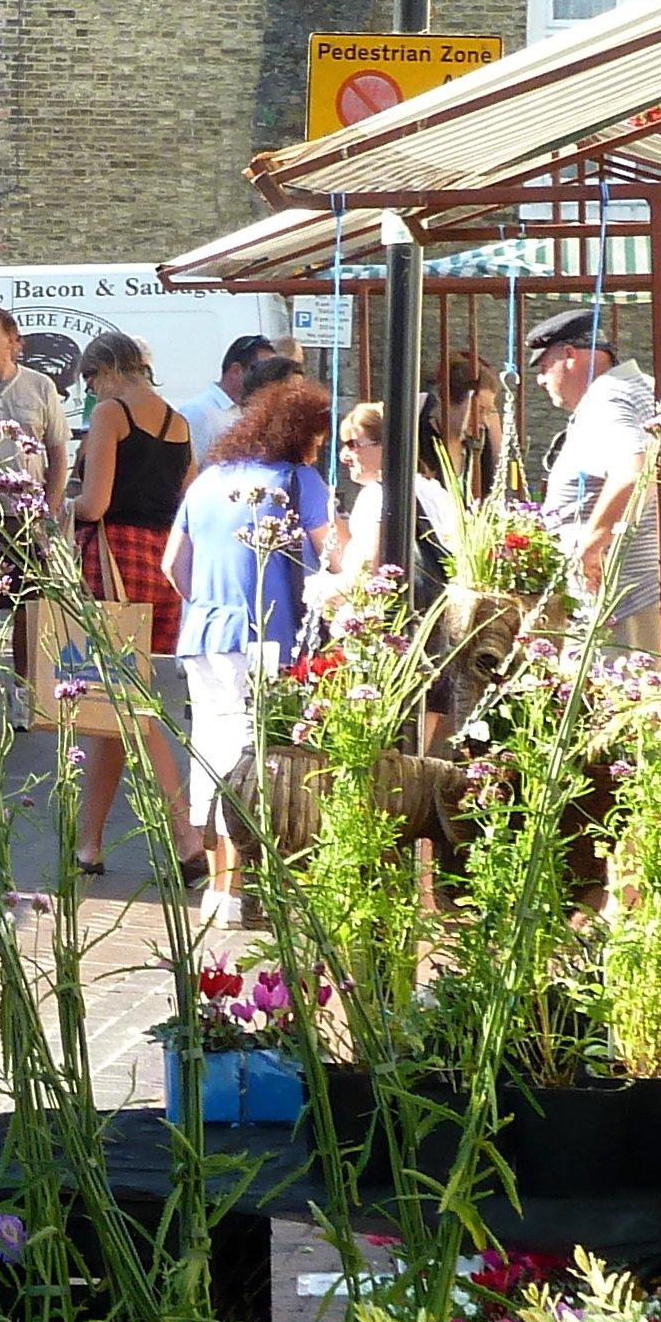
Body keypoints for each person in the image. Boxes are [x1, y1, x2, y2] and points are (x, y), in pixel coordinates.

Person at [162, 376, 335, 918]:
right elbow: (337, 557)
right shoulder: (296, 479)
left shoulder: (209, 479)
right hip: (266, 636)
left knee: (211, 756)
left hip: (202, 635)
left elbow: (173, 566)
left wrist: (210, 604)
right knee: (252, 760)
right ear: (301, 433)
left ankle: (218, 889)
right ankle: (242, 891)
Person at [67, 328, 204, 880]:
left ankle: (184, 831)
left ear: (105, 371)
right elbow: (182, 503)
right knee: (113, 708)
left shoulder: (110, 414)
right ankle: (88, 842)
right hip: (161, 564)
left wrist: (60, 504)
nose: (91, 392)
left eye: (90, 381)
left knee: (125, 704)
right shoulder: (180, 422)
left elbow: (96, 503)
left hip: (116, 562)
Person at [0, 305, 71, 731]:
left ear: (12, 341)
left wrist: (49, 508)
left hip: (23, 515)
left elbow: (57, 452)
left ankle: (24, 696)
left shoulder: (40, 387)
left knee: (26, 606)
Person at [528, 306, 661, 657]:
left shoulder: (605, 398)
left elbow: (636, 471)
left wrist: (592, 544)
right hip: (651, 589)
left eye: (544, 367)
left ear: (570, 356)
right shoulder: (646, 389)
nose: (541, 380)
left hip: (627, 602)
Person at [315, 398, 462, 618]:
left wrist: (324, 593)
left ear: (384, 445)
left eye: (353, 444)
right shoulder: (433, 490)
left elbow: (371, 571)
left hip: (395, 622)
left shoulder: (378, 495)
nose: (344, 456)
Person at [180, 333, 277, 465]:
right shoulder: (199, 413)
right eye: (262, 372)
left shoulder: (250, 411)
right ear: (236, 370)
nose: (268, 381)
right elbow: (184, 475)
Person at [442, 354, 503, 503]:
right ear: (450, 401)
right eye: (479, 410)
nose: (484, 421)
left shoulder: (477, 447)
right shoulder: (424, 440)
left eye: (488, 412)